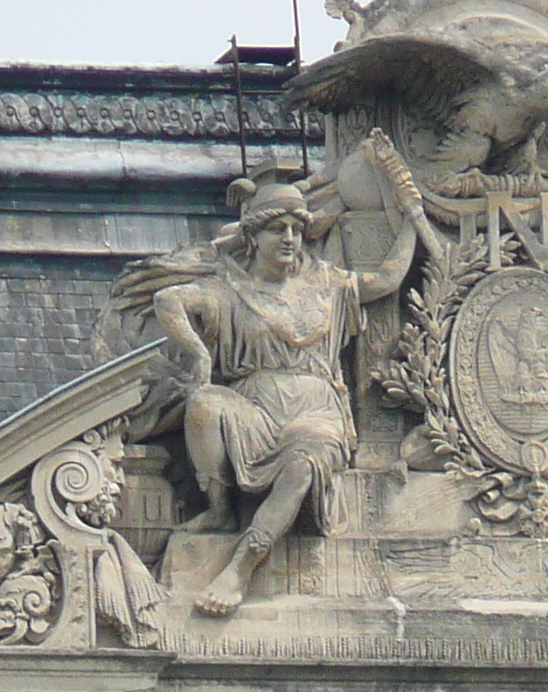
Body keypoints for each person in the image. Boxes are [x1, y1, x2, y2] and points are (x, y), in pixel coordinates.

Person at [149, 143, 423, 617]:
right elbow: (168, 300)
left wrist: (412, 220)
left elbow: (386, 280)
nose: (291, 239)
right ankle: (219, 509)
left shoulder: (327, 284)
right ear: (253, 237)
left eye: (298, 229)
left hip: (315, 411)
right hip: (254, 406)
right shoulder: (229, 288)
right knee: (204, 405)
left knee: (304, 463)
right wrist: (197, 353)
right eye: (278, 229)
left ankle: (242, 564)